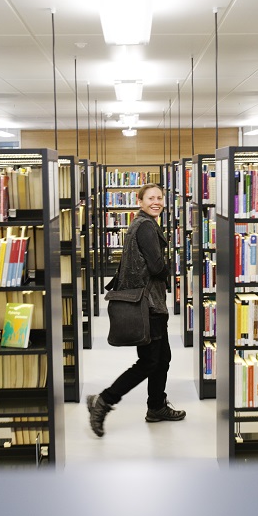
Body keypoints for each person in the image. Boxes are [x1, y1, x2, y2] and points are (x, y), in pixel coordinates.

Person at [86, 183, 186, 437]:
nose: (156, 202)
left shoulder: (142, 223)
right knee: (149, 361)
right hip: (148, 304)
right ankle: (104, 401)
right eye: (151, 198)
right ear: (139, 201)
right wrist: (169, 270)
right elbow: (156, 266)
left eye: (160, 198)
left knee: (162, 359)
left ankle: (156, 407)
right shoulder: (146, 226)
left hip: (151, 302)